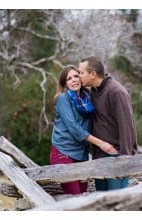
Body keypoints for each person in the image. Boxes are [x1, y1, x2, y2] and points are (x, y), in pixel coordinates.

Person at [50, 65, 119, 194]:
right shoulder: (63, 99)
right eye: (69, 78)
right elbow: (75, 129)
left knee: (83, 195)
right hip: (63, 153)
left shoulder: (87, 97)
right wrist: (102, 144)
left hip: (81, 155)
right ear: (65, 84)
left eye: (76, 76)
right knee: (75, 198)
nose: (74, 80)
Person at [78, 56, 138, 191]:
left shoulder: (117, 92)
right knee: (102, 201)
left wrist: (125, 158)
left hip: (116, 156)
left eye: (81, 73)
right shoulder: (93, 91)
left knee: (116, 202)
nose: (79, 76)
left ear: (92, 74)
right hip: (99, 156)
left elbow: (127, 126)